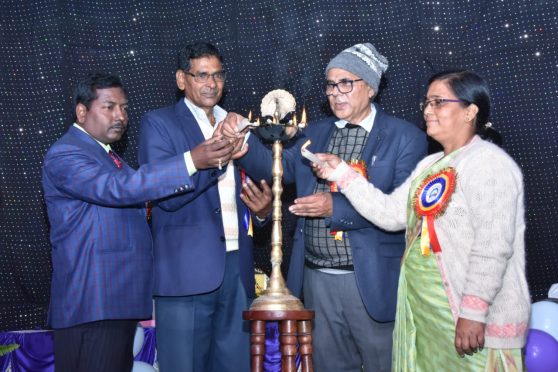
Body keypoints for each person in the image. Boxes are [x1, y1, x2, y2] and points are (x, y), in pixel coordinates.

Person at [225, 43, 428, 372]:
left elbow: (400, 208)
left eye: (346, 83)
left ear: (371, 87)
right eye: (331, 85)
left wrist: (333, 206)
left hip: (372, 282)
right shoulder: (316, 133)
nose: (336, 93)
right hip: (317, 281)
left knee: (385, 364)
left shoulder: (404, 137)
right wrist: (242, 144)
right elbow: (279, 168)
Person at [313, 70, 530, 371]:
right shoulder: (430, 164)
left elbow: (493, 246)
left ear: (470, 111)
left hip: (467, 319)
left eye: (438, 102)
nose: (428, 110)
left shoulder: (489, 163)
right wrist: (342, 173)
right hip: (427, 314)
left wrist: (474, 312)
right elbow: (389, 214)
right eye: (426, 103)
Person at [42, 72, 241, 372]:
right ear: (81, 111)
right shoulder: (67, 153)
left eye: (124, 107)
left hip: (114, 302)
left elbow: (137, 186)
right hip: (93, 303)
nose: (120, 115)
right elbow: (122, 189)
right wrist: (191, 160)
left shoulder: (109, 158)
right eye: (109, 107)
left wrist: (212, 162)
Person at [137, 42, 271, 372]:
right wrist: (213, 158)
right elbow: (166, 195)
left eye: (217, 75)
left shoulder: (235, 121)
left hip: (237, 268)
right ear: (182, 79)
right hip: (185, 271)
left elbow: (269, 172)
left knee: (235, 365)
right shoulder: (159, 123)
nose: (211, 83)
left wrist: (262, 211)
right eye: (202, 75)